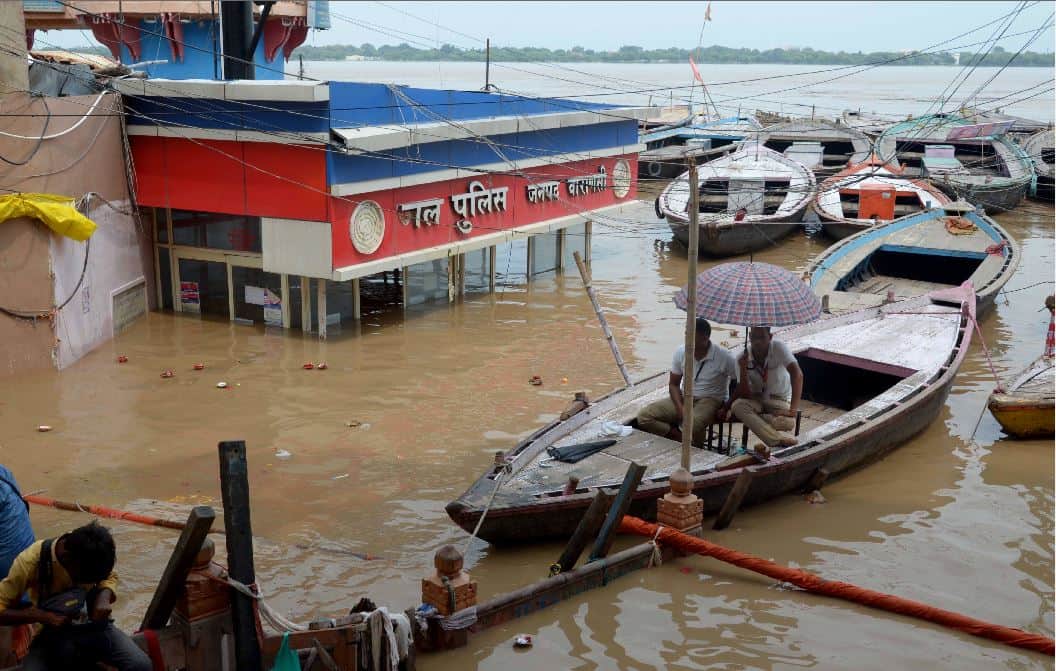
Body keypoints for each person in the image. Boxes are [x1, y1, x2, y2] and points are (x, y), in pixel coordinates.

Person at [0, 521, 151, 671]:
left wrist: (104, 596)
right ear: (66, 559)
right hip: (49, 636)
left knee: (140, 665)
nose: (91, 582)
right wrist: (41, 616)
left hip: (94, 628)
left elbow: (109, 576)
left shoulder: (95, 550)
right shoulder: (31, 562)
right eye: (86, 579)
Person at [637, 318, 738, 447]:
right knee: (644, 416)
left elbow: (738, 382)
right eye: (686, 333)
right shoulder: (681, 351)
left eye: (691, 335)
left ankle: (690, 442)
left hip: (711, 399)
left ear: (705, 338)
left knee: (690, 424)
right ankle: (680, 437)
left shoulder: (725, 357)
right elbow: (673, 384)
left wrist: (727, 407)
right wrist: (680, 408)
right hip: (685, 396)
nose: (686, 338)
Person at [730, 326, 804, 448]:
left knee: (788, 423)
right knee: (737, 406)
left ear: (770, 337)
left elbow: (797, 375)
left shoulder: (778, 347)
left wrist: (793, 411)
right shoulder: (741, 357)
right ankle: (776, 440)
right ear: (749, 337)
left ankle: (755, 419)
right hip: (755, 399)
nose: (757, 342)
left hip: (778, 399)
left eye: (762, 337)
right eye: (754, 337)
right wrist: (743, 368)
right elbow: (744, 394)